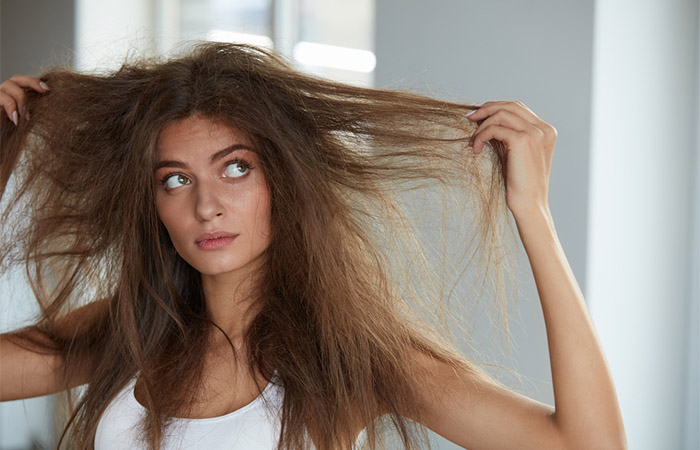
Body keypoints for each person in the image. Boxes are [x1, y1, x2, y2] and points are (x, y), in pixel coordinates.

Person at [0, 42, 626, 450]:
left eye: (236, 168)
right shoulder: (132, 329)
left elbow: (588, 446)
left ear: (284, 178)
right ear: (153, 201)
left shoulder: (350, 355)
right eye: (175, 179)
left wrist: (533, 213)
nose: (206, 204)